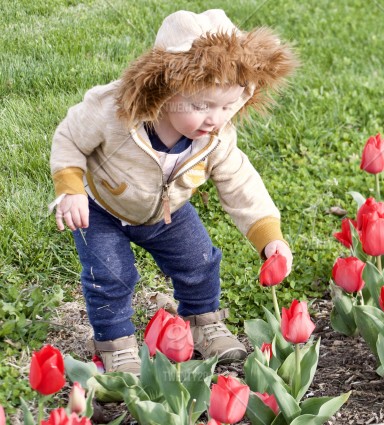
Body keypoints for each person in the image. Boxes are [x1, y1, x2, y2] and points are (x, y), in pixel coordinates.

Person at [49, 9, 297, 373]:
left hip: (167, 212)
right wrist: (69, 187)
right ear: (164, 88)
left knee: (199, 261)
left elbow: (240, 182)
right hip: (100, 207)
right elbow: (70, 137)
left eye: (229, 106)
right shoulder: (113, 111)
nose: (215, 118)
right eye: (201, 106)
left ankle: (204, 324)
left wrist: (268, 235)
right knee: (110, 277)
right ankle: (116, 346)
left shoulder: (216, 138)